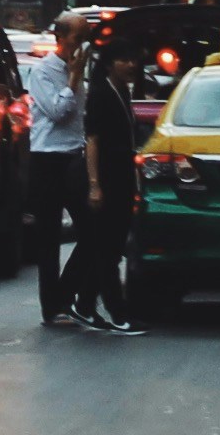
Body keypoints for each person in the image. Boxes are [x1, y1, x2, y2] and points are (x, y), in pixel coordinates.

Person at [61, 22, 144, 331]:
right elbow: (92, 140)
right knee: (106, 251)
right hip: (103, 181)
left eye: (134, 59)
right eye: (124, 60)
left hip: (121, 180)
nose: (131, 65)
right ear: (110, 63)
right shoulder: (100, 94)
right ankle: (116, 313)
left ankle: (83, 303)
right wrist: (95, 186)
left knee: (106, 247)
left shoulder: (122, 91)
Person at [19, 31, 87, 328]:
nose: (84, 41)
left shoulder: (85, 66)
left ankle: (66, 293)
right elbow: (59, 111)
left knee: (92, 229)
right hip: (48, 157)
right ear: (63, 38)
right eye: (80, 35)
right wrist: (73, 78)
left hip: (76, 155)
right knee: (48, 238)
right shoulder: (43, 71)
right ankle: (52, 306)